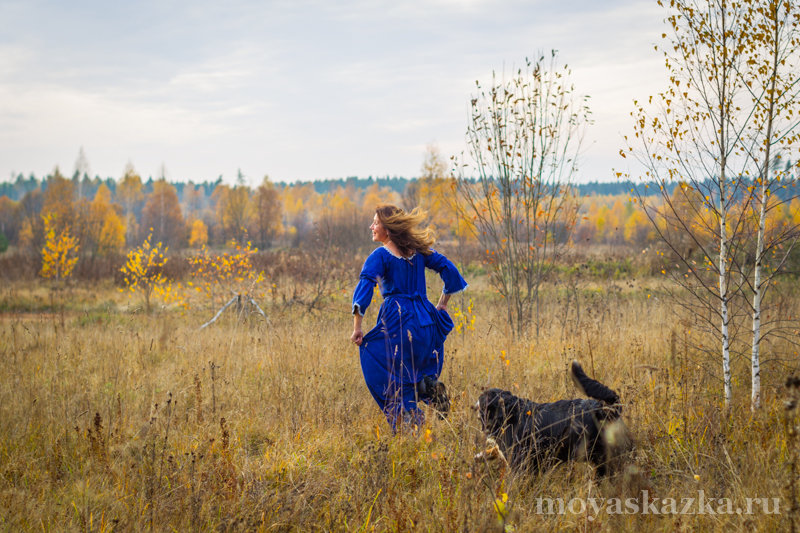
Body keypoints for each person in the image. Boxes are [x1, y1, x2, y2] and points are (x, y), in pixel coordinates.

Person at [351, 204, 467, 431]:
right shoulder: (418, 251)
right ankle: (428, 388)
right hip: (426, 321)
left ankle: (412, 427)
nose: (371, 226)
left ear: (388, 228)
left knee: (388, 372)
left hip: (399, 322)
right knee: (416, 367)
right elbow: (449, 270)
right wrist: (442, 304)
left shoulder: (380, 255)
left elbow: (364, 289)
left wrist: (357, 327)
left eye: (376, 222)